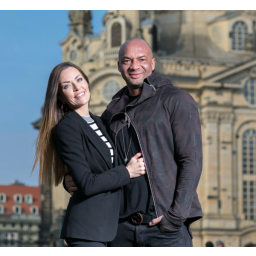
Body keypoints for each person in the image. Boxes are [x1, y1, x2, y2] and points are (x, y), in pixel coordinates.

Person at [65, 37, 203, 247]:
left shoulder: (176, 100)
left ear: (153, 63)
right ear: (119, 66)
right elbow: (98, 159)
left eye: (141, 59)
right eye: (127, 60)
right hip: (120, 230)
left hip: (164, 229)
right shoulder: (111, 111)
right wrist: (69, 177)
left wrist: (174, 218)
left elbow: (191, 162)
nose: (134, 66)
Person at [32, 62, 146, 247]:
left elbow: (100, 167)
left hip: (111, 228)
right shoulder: (67, 127)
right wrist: (127, 172)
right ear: (60, 96)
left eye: (79, 79)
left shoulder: (100, 122)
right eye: (67, 85)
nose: (77, 87)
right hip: (87, 229)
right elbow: (87, 183)